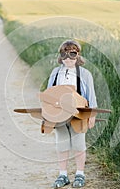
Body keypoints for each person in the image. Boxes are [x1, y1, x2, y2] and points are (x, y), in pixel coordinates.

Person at [47, 40, 97, 188]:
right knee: (61, 143)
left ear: (78, 55)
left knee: (78, 143)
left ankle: (80, 174)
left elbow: (91, 95)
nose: (68, 58)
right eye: (64, 54)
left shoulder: (85, 74)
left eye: (72, 54)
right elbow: (49, 93)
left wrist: (92, 114)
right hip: (59, 114)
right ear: (61, 56)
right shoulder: (55, 72)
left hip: (79, 114)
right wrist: (48, 114)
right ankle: (63, 175)